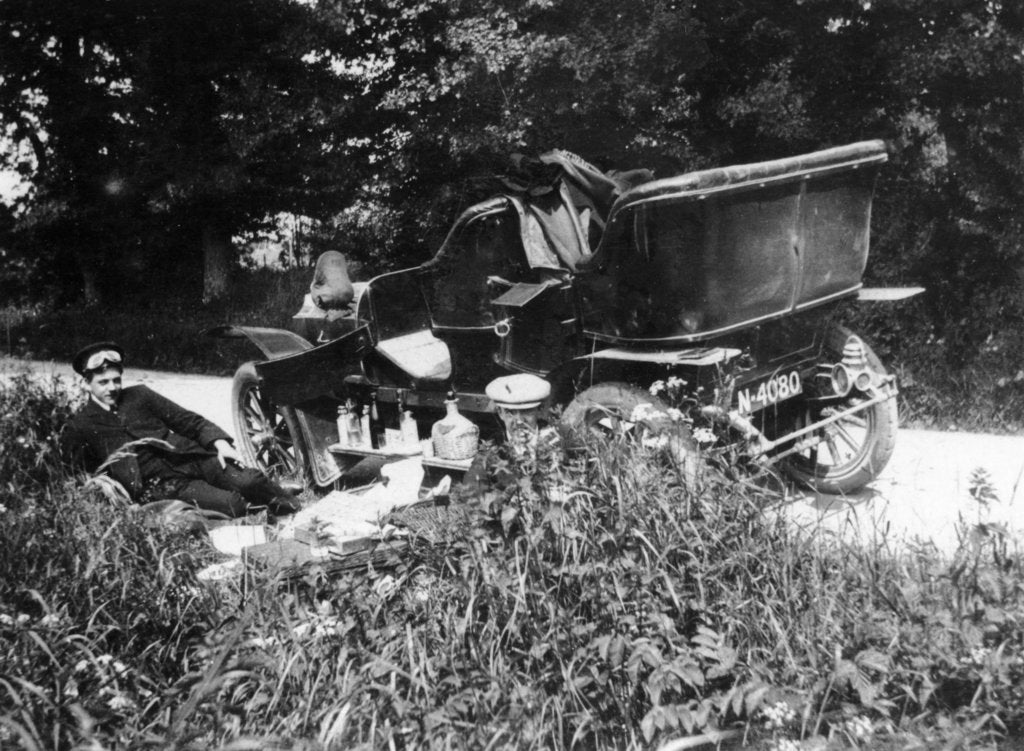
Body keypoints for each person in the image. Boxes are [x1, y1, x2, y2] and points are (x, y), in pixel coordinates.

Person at [62, 342, 301, 518]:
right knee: (231, 504)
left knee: (249, 481)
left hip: (195, 460)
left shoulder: (140, 396)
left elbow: (190, 421)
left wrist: (219, 443)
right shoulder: (81, 425)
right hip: (164, 485)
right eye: (103, 382)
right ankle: (262, 514)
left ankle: (291, 505)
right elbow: (82, 474)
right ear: (86, 383)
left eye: (116, 380)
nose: (112, 387)